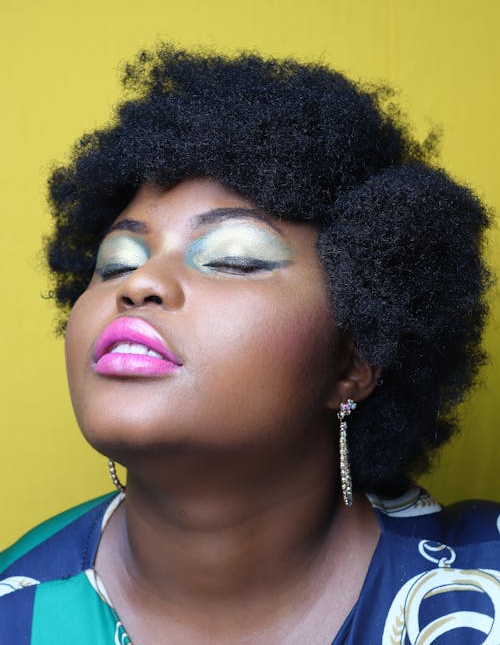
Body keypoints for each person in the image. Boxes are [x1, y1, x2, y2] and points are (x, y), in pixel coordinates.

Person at [1, 45, 499, 644]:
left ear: (353, 358)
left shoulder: (476, 603)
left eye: (233, 259)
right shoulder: (18, 612)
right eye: (114, 264)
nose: (140, 283)